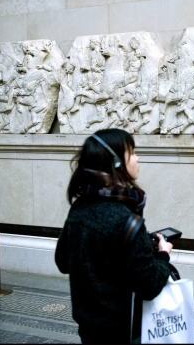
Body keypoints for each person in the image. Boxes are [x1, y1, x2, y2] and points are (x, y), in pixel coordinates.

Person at [55, 128, 173, 344]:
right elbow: (149, 285)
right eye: (133, 152)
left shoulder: (79, 208)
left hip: (88, 329)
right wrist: (163, 256)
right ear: (117, 162)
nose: (138, 158)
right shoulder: (127, 222)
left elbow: (62, 262)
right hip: (123, 331)